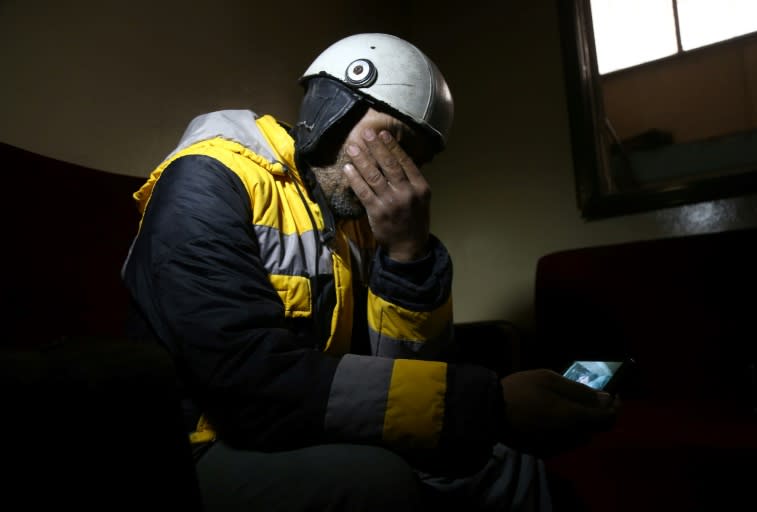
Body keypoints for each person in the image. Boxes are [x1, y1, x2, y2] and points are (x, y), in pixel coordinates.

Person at [121, 32, 618, 511]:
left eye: (415, 159)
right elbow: (246, 383)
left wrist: (408, 255)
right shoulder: (206, 182)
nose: (400, 169)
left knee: (496, 465)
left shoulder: (355, 222)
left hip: (300, 424)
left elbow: (403, 372)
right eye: (392, 139)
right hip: (196, 445)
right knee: (377, 481)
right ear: (332, 106)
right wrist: (488, 405)